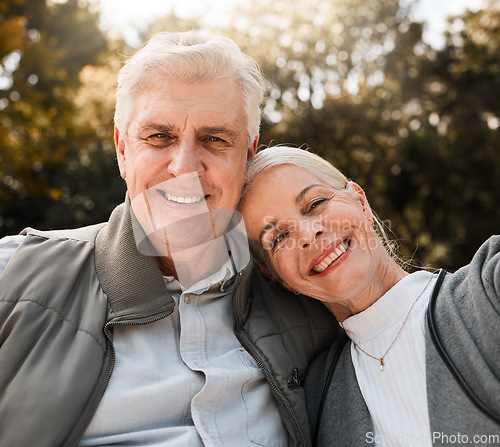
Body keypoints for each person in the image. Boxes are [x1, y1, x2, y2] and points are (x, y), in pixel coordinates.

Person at [0, 33, 336, 447]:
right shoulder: (13, 275)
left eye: (214, 139)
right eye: (160, 137)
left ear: (247, 156)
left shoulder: (309, 295)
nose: (185, 167)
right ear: (122, 152)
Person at [239, 146, 500, 447]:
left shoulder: (487, 288)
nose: (309, 235)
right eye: (279, 238)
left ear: (360, 201)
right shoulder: (313, 402)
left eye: (316, 203)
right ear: (279, 279)